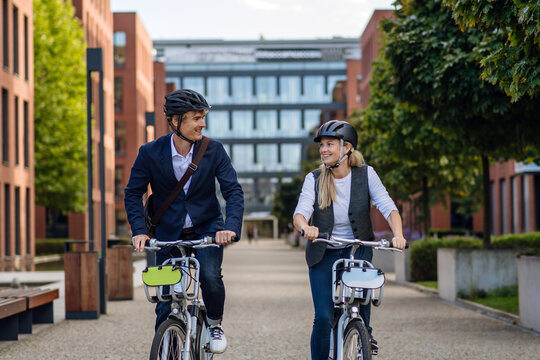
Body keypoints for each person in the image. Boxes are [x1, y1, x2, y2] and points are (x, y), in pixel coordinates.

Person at [124, 89, 244, 354]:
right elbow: (133, 193)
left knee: (211, 277)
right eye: (196, 118)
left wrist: (230, 228)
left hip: (208, 230)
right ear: (175, 121)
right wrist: (140, 231)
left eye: (203, 117)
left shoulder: (213, 150)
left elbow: (233, 191)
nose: (203, 123)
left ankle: (214, 323)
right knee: (165, 300)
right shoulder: (150, 153)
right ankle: (166, 347)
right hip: (167, 233)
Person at [292, 120, 406, 360]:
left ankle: (364, 332)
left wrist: (398, 235)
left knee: (361, 300)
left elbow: (388, 207)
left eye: (330, 144)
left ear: (346, 148)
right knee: (323, 317)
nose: (323, 150)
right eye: (321, 145)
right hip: (323, 252)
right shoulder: (314, 179)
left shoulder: (366, 174)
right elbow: (300, 213)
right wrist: (306, 227)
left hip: (357, 249)